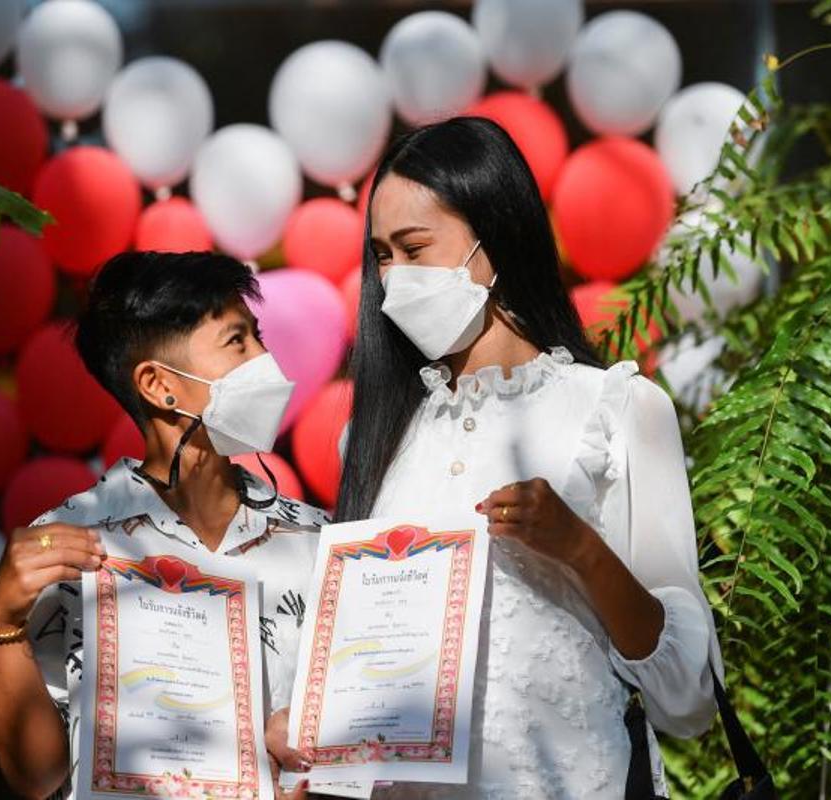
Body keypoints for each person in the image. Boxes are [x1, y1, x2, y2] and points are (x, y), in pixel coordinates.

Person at [271, 116, 726, 798]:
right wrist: (308, 724)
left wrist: (579, 547)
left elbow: (690, 696)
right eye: (382, 255)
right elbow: (365, 668)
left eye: (414, 248)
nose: (393, 278)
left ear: (493, 242)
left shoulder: (618, 410)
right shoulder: (369, 435)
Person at [0, 251, 322, 800]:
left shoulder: (320, 543)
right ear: (160, 386)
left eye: (258, 336)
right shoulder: (70, 543)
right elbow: (36, 778)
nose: (265, 359)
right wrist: (4, 619)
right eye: (237, 341)